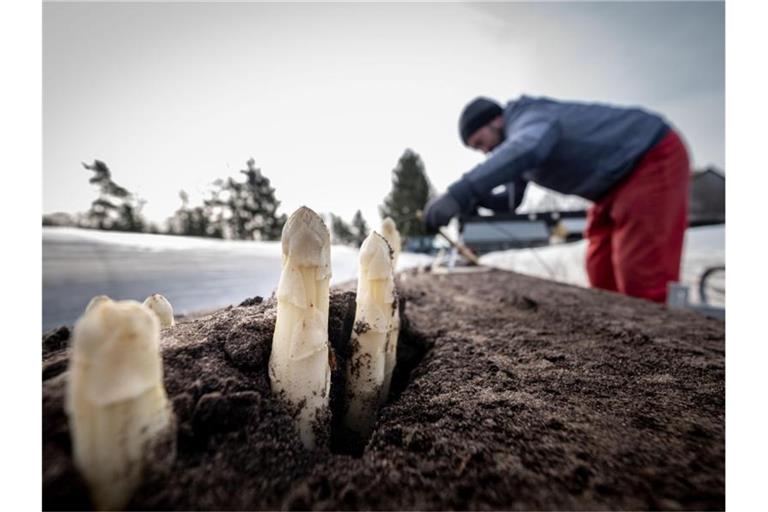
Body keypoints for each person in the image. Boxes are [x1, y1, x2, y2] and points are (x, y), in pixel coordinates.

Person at [423, 95, 690, 303]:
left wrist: (460, 193)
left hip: (647, 158)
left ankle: (667, 356)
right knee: (601, 268)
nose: (486, 152)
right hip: (609, 189)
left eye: (482, 142)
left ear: (495, 121)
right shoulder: (520, 144)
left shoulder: (530, 117)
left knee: (642, 274)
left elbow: (529, 148)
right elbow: (511, 201)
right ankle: (624, 345)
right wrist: (475, 201)